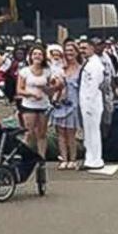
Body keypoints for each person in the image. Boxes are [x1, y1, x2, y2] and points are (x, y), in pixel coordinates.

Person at [16, 45, 54, 158]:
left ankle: (41, 156)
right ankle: (24, 155)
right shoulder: (24, 71)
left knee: (42, 133)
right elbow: (19, 89)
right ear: (31, 57)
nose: (37, 56)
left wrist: (50, 88)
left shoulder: (47, 71)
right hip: (29, 104)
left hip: (43, 104)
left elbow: (49, 89)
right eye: (35, 54)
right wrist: (31, 94)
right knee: (29, 132)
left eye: (40, 54)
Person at [51, 41, 82, 170]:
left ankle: (73, 159)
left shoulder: (81, 68)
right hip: (59, 103)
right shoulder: (60, 68)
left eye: (72, 50)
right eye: (67, 51)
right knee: (60, 133)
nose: (69, 53)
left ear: (76, 52)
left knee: (70, 133)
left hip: (74, 102)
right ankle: (64, 159)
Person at [77, 38, 106, 170]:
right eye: (81, 48)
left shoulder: (95, 65)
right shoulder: (88, 63)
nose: (82, 51)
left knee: (93, 132)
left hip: (92, 103)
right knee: (88, 133)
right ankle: (90, 158)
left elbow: (94, 85)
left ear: (92, 48)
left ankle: (95, 159)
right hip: (86, 101)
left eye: (85, 48)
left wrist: (88, 103)